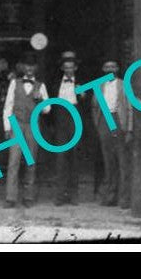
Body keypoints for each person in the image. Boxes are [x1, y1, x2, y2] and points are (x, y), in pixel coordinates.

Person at [2, 57, 49, 208]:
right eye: (26, 65)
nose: (29, 68)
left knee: (31, 162)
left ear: (36, 68)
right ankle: (11, 197)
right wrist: (7, 127)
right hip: (16, 125)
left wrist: (41, 100)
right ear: (22, 67)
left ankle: (28, 197)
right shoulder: (14, 83)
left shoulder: (41, 86)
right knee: (13, 162)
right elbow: (8, 106)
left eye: (32, 65)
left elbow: (48, 109)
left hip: (33, 126)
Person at [91, 58, 132, 208]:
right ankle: (110, 197)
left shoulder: (123, 84)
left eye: (113, 67)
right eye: (107, 67)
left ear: (117, 69)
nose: (110, 69)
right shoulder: (99, 85)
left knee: (122, 162)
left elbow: (130, 107)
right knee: (108, 162)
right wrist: (98, 123)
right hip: (104, 122)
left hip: (118, 121)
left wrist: (129, 129)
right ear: (103, 69)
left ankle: (124, 199)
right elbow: (94, 106)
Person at [53, 50, 88, 205]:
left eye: (71, 68)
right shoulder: (54, 83)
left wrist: (83, 96)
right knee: (61, 160)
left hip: (75, 122)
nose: (68, 71)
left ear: (75, 69)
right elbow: (50, 106)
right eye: (66, 68)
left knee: (74, 158)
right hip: (61, 122)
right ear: (62, 69)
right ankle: (60, 196)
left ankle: (73, 196)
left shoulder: (82, 83)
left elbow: (87, 107)